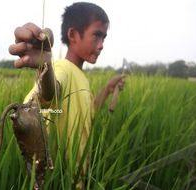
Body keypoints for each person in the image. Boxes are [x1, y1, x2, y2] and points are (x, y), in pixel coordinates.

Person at [9, 2, 125, 188]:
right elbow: (47, 96)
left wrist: (107, 89)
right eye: (96, 35)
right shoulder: (63, 69)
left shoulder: (82, 78)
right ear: (73, 35)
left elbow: (88, 112)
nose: (101, 45)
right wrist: (45, 67)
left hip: (78, 178)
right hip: (60, 181)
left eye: (104, 38)